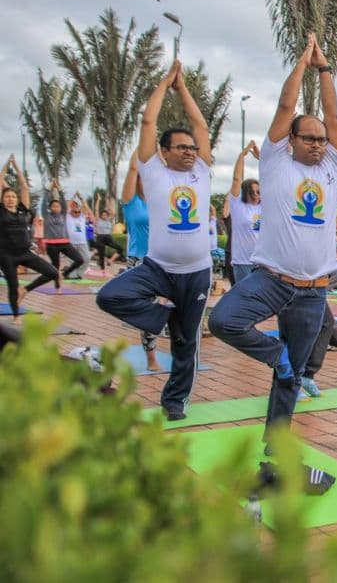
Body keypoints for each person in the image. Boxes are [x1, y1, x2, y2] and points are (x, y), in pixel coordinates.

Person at [208, 34, 337, 432]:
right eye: (309, 138)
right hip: (272, 280)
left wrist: (326, 70)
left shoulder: (331, 165)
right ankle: (275, 353)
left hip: (313, 290)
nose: (318, 145)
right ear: (292, 141)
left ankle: (275, 447)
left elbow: (333, 118)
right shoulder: (275, 161)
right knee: (223, 321)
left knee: (292, 376)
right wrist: (305, 64)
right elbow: (287, 106)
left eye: (321, 140)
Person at [96, 60, 213, 420]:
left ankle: (174, 402)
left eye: (192, 148)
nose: (190, 151)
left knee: (186, 344)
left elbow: (202, 126)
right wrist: (165, 84)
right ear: (163, 152)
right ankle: (166, 319)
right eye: (181, 147)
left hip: (196, 272)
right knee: (110, 295)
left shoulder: (202, 172)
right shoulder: (153, 170)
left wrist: (185, 90)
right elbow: (148, 122)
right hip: (158, 268)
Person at [0, 155, 57, 316]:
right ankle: (16, 315)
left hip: (25, 253)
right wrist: (6, 165)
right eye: (7, 197)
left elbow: (24, 188)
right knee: (12, 284)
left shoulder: (23, 210)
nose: (10, 199)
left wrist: (18, 169)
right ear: (3, 199)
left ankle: (26, 289)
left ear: (17, 199)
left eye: (12, 196)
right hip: (6, 255)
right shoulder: (1, 211)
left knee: (52, 272)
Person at [118, 152, 160, 371]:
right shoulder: (131, 202)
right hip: (139, 261)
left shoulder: (159, 201)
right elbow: (132, 170)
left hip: (162, 259)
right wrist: (141, 149)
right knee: (147, 309)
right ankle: (151, 357)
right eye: (145, 179)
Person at [223, 140, 262, 284]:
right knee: (245, 300)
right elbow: (236, 179)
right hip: (242, 262)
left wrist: (261, 159)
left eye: (259, 191)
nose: (257, 194)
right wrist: (242, 155)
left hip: (261, 262)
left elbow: (273, 180)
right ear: (246, 192)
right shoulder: (238, 205)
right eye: (254, 191)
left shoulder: (262, 208)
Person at [92, 196, 124, 271]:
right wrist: (98, 200)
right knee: (101, 255)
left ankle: (110, 260)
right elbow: (96, 210)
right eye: (103, 215)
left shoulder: (109, 220)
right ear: (101, 216)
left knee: (120, 249)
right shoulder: (98, 220)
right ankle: (102, 270)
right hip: (100, 238)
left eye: (106, 215)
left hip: (108, 237)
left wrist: (108, 202)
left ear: (107, 216)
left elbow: (113, 212)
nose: (104, 216)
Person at [65, 192, 93, 279]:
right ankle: (72, 275)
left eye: (78, 212)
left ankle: (79, 273)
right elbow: (67, 207)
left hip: (82, 242)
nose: (77, 213)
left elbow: (87, 209)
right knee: (72, 260)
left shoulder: (82, 217)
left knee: (87, 258)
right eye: (75, 212)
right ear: (71, 211)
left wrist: (81, 198)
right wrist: (73, 197)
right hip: (71, 243)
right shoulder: (68, 217)